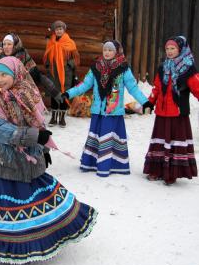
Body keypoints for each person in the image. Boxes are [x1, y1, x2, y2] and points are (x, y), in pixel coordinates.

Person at [0, 56, 97, 265]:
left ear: (16, 74)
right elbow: (0, 130)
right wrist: (33, 136)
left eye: (5, 75)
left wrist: (42, 144)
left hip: (30, 157)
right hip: (5, 159)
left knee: (35, 197)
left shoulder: (29, 92)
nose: (0, 79)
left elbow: (39, 119)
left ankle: (41, 235)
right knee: (7, 202)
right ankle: (10, 244)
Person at [61, 40, 153, 177]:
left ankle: (111, 165)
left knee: (109, 138)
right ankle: (92, 163)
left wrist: (145, 102)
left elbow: (133, 88)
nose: (107, 53)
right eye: (105, 50)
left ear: (116, 52)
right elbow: (85, 85)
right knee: (97, 137)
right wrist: (69, 93)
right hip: (98, 111)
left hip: (113, 111)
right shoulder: (96, 67)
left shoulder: (123, 68)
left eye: (110, 50)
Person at [143, 36, 199, 185]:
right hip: (162, 113)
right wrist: (150, 102)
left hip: (178, 113)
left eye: (172, 48)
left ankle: (171, 173)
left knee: (175, 143)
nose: (169, 51)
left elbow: (197, 87)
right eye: (167, 48)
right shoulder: (163, 67)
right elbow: (156, 87)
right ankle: (156, 170)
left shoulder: (188, 69)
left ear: (180, 49)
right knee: (160, 142)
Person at [0, 33, 60, 104]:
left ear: (15, 45)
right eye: (4, 44)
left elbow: (38, 76)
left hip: (22, 99)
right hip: (3, 99)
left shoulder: (24, 58)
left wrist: (54, 91)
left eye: (9, 44)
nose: (6, 47)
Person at [43, 20, 80, 127]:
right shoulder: (50, 42)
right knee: (54, 94)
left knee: (64, 94)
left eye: (61, 29)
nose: (59, 31)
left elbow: (76, 58)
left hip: (66, 73)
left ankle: (62, 118)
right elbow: (46, 55)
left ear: (64, 30)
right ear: (54, 31)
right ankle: (54, 118)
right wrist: (47, 64)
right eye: (57, 29)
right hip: (53, 73)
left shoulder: (70, 42)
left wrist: (69, 64)